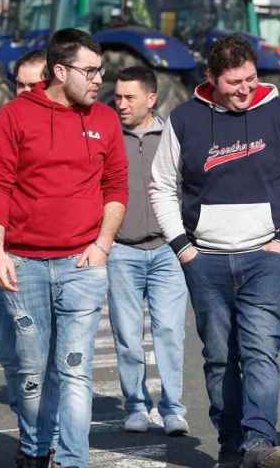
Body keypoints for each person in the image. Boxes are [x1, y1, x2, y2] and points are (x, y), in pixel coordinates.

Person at [150, 35, 280, 468]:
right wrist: (183, 247)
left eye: (250, 78)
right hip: (204, 260)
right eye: (233, 83)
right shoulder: (185, 120)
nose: (244, 89)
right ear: (211, 79)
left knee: (260, 351)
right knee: (220, 357)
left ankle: (260, 442)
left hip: (264, 258)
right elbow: (161, 186)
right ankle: (231, 446)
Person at [0, 28, 128, 468]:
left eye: (100, 70)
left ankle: (71, 460)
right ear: (60, 71)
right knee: (31, 374)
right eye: (89, 71)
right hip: (24, 265)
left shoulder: (104, 119)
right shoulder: (15, 116)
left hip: (82, 266)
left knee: (75, 370)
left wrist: (103, 244)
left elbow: (117, 187)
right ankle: (33, 448)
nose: (98, 79)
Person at [0, 50, 46, 462]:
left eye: (34, 85)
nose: (25, 92)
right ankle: (28, 430)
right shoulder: (1, 125)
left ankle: (44, 441)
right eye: (19, 85)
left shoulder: (68, 123)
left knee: (45, 357)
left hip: (51, 259)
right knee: (12, 353)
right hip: (7, 257)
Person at [108, 66, 190, 435]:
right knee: (127, 335)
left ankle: (173, 408)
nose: (120, 104)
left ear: (151, 99)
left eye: (129, 97)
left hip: (167, 250)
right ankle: (136, 406)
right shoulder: (108, 136)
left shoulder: (172, 136)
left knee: (170, 331)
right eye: (117, 97)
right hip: (121, 251)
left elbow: (190, 188)